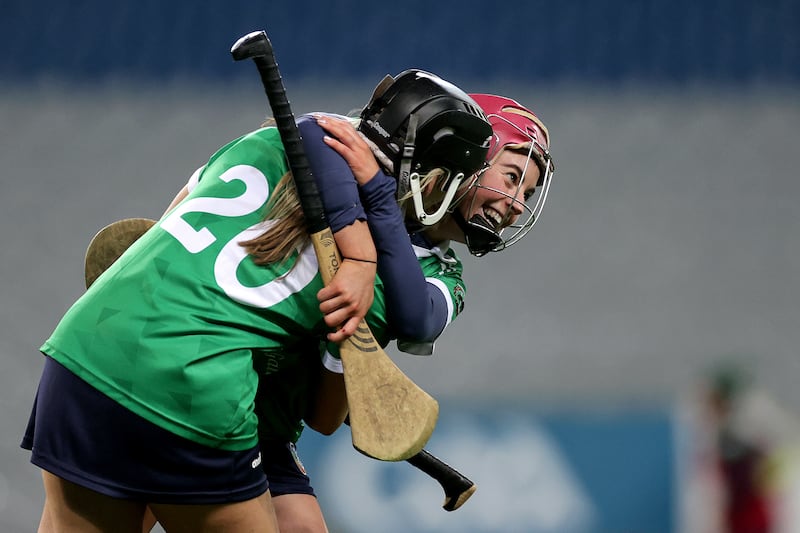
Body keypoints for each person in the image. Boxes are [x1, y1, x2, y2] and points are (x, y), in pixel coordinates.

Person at [21, 69, 493, 533]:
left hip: (83, 349)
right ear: (434, 180)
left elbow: (162, 234)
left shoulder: (260, 144)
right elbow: (325, 416)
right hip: (195, 385)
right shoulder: (379, 277)